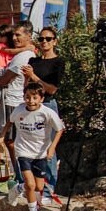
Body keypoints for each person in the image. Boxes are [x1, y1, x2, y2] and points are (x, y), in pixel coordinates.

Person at [1, 82, 65, 211]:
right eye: (27, 97)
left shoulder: (47, 113)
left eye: (35, 97)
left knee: (38, 186)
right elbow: (9, 123)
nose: (31, 101)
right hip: (23, 151)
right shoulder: (19, 110)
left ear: (41, 99)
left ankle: (17, 189)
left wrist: (52, 148)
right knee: (30, 184)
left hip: (40, 152)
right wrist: (2, 136)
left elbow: (60, 129)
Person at [23, 28, 65, 193]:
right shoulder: (34, 61)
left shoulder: (58, 62)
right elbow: (27, 88)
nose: (44, 42)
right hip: (31, 105)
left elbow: (52, 89)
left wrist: (33, 76)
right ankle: (33, 185)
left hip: (47, 104)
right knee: (31, 145)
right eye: (41, 39)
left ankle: (49, 186)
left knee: (48, 147)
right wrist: (28, 79)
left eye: (48, 39)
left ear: (55, 41)